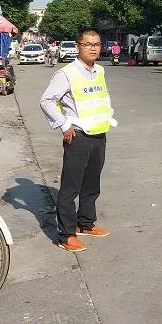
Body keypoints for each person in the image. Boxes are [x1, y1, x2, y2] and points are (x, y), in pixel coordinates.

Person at [39, 28, 115, 253]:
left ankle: (86, 223)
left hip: (99, 134)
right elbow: (47, 101)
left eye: (97, 44)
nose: (93, 48)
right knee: (70, 188)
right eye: (88, 44)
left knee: (91, 185)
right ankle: (66, 234)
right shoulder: (67, 73)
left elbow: (102, 96)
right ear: (78, 46)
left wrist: (109, 115)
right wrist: (64, 124)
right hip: (78, 136)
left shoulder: (99, 71)